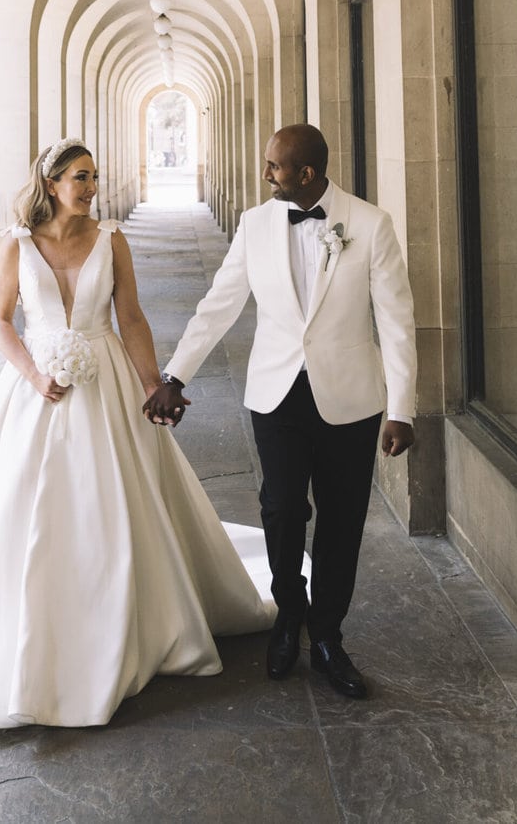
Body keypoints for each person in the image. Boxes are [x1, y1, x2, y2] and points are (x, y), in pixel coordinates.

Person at [0, 138, 272, 728]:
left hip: (107, 380)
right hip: (36, 385)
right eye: (78, 177)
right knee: (26, 501)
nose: (90, 187)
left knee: (115, 496)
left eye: (94, 176)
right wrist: (33, 374)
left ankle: (127, 613)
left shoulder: (111, 239)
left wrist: (154, 385)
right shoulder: (17, 245)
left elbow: (132, 318)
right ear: (51, 184)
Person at [144, 123, 417, 699]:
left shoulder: (370, 225)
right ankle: (288, 615)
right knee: (281, 509)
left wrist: (402, 408)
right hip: (276, 395)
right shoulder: (255, 224)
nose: (266, 172)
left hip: (350, 399)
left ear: (308, 174)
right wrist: (175, 375)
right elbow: (219, 304)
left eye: (276, 166)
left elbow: (396, 321)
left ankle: (327, 637)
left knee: (343, 523)